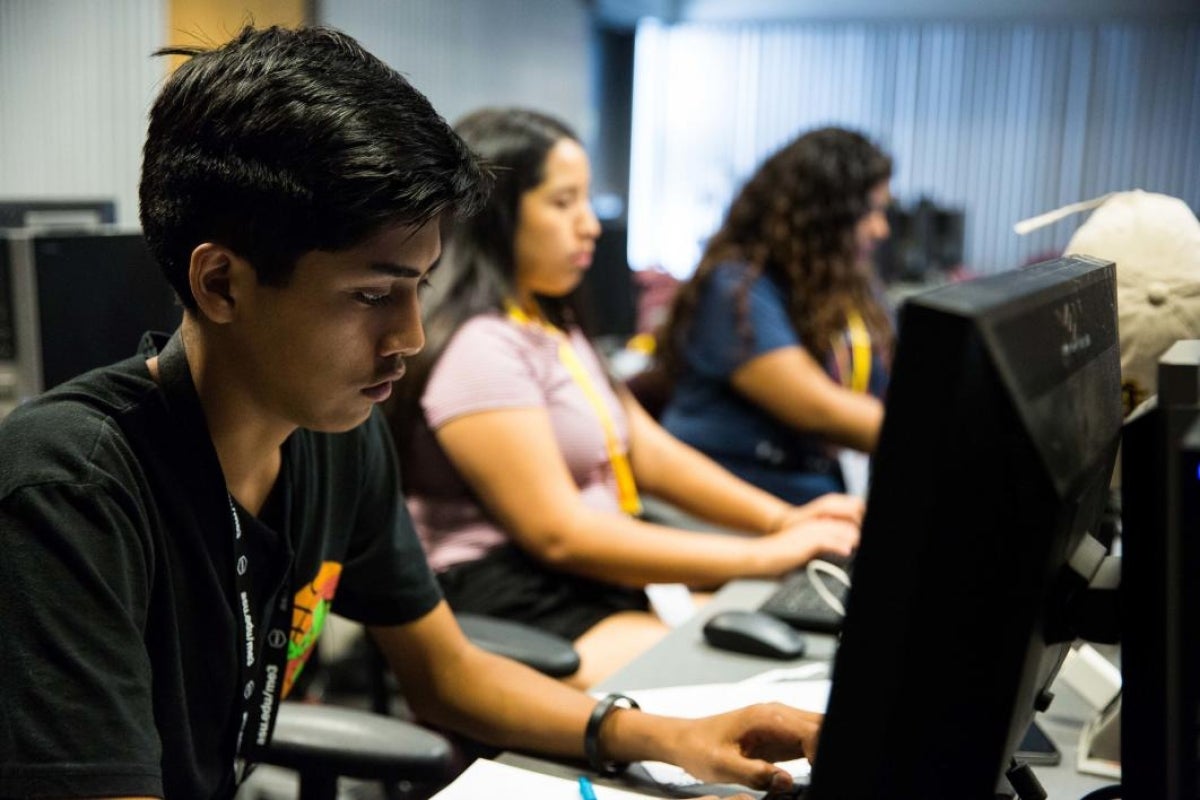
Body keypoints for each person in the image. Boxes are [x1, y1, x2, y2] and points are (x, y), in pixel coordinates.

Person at [0, 27, 822, 800]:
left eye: (418, 287)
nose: (411, 336)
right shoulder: (68, 493)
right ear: (222, 285)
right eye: (371, 294)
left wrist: (665, 737)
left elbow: (446, 673)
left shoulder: (332, 439)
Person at [387, 108, 862, 689]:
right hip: (508, 593)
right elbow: (558, 534)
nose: (589, 225)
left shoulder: (548, 322)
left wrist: (783, 519)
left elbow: (645, 450)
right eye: (564, 203)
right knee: (726, 687)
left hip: (581, 579)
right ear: (497, 212)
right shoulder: (480, 346)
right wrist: (769, 553)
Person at [653, 127, 895, 505]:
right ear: (821, 215)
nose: (881, 229)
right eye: (868, 212)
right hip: (727, 505)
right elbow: (817, 408)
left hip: (814, 499)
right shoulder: (735, 287)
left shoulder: (850, 288)